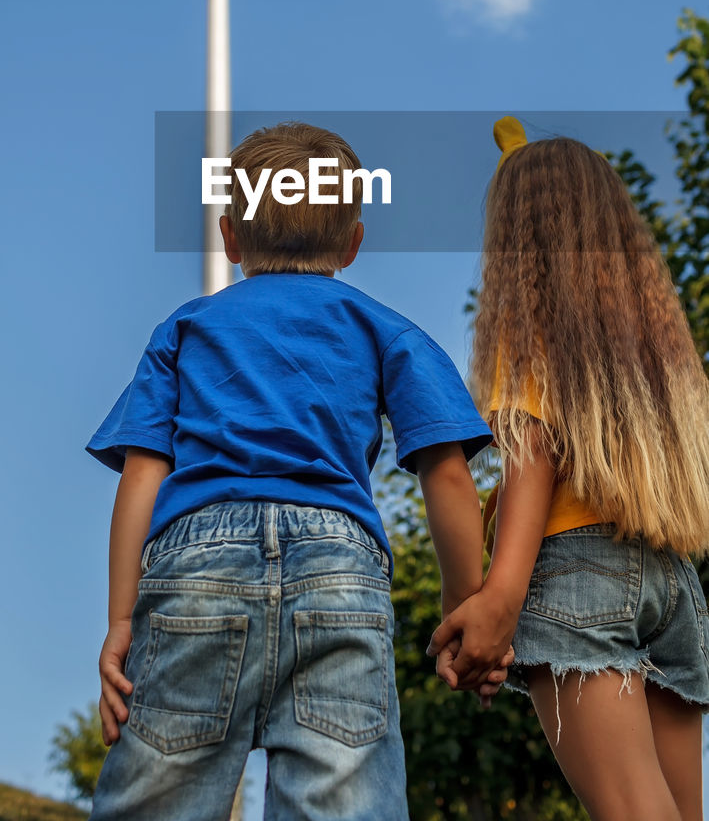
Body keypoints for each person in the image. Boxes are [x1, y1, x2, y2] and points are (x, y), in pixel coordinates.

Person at [85, 121, 506, 821]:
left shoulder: (186, 330)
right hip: (338, 567)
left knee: (154, 804)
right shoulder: (383, 328)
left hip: (195, 566)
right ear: (351, 242)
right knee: (343, 802)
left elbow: (141, 476)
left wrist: (121, 619)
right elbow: (446, 472)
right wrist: (465, 606)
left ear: (229, 237)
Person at [428, 117, 709, 821]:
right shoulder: (654, 359)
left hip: (575, 576)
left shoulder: (530, 332)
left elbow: (534, 448)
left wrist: (498, 597)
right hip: (670, 582)